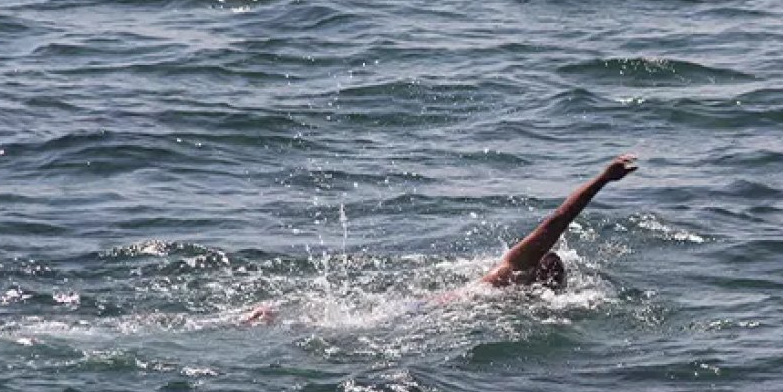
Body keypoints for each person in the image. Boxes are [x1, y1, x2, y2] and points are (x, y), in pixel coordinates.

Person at [243, 153, 638, 323]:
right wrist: (602, 179)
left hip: (435, 308)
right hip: (434, 312)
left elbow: (556, 221)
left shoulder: (509, 280)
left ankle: (278, 317)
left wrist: (603, 178)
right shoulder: (517, 275)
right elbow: (557, 222)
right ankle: (277, 319)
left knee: (358, 323)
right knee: (354, 327)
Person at [480, 153, 638, 289]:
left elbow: (559, 219)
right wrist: (604, 179)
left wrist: (603, 178)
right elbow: (559, 219)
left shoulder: (503, 276)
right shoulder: (512, 273)